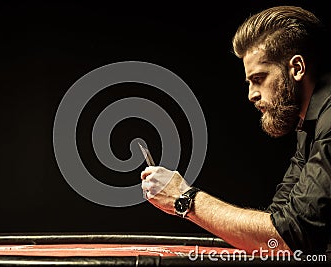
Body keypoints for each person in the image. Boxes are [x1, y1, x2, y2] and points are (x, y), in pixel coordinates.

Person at [141, 5, 331, 255]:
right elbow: (278, 224)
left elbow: (290, 238)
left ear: (297, 68)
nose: (251, 95)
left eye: (259, 79)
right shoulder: (308, 124)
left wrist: (184, 198)